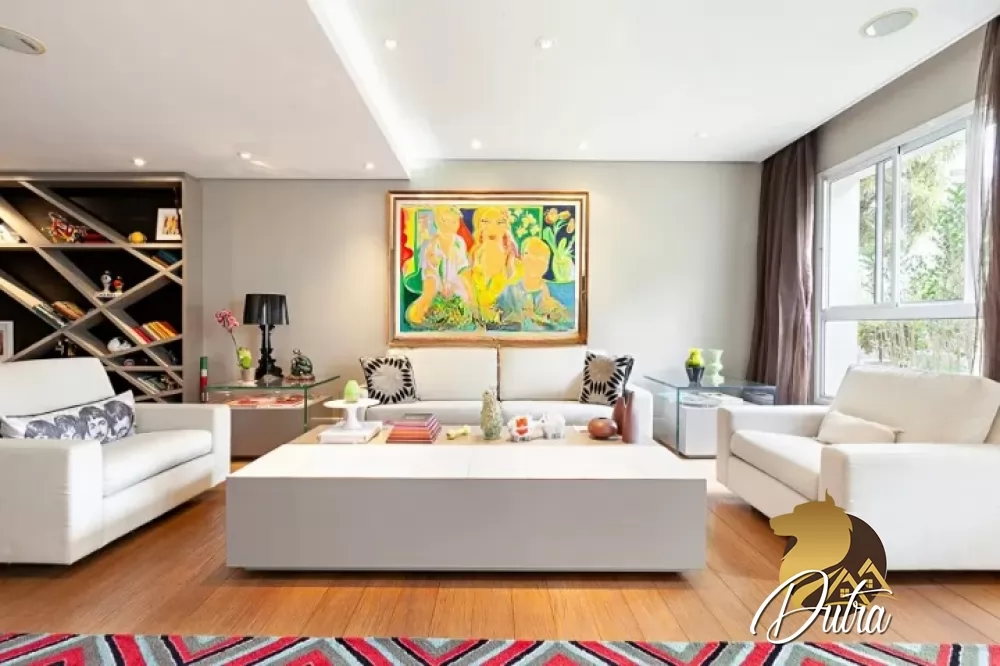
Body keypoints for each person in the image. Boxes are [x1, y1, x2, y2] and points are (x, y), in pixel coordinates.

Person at [406, 206, 473, 326]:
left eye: (454, 221)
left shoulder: (459, 242)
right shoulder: (430, 244)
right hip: (434, 281)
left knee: (463, 300)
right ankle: (422, 314)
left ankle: (453, 315)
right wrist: (437, 287)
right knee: (429, 299)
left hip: (455, 280)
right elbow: (429, 272)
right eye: (445, 221)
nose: (450, 225)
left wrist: (466, 290)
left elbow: (463, 269)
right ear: (437, 222)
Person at [498, 237, 567, 329]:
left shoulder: (553, 291)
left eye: (542, 258)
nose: (536, 262)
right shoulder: (509, 291)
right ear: (522, 257)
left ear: (547, 264)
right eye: (531, 256)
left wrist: (554, 313)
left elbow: (566, 324)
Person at [468, 206, 520, 324]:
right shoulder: (471, 260)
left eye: (499, 222)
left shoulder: (514, 264)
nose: (492, 228)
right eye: (485, 222)